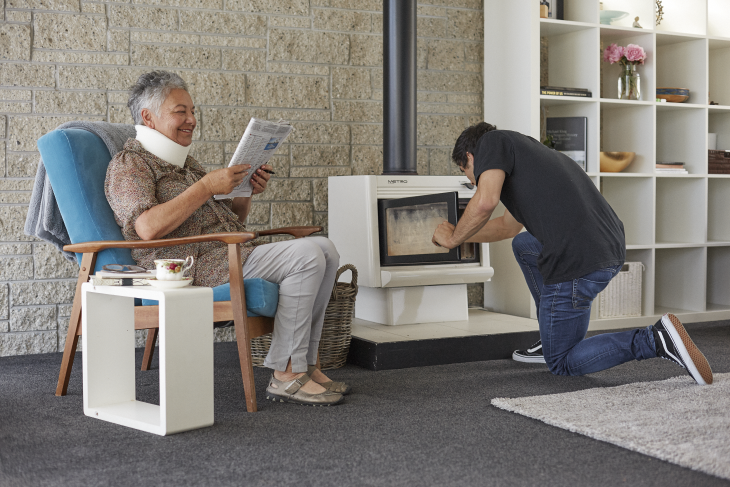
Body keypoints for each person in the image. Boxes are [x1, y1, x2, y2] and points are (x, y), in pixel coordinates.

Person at [105, 70, 350, 406]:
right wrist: (206, 186)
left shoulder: (187, 165)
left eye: (193, 112)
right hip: (190, 268)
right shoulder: (130, 164)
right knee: (308, 254)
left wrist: (246, 190)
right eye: (181, 112)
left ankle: (307, 364)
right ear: (148, 117)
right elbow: (146, 228)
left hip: (228, 254)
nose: (192, 119)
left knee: (327, 250)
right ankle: (287, 373)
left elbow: (230, 223)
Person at [432, 122, 713, 385]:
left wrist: (453, 238)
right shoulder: (529, 155)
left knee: (561, 362)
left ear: (471, 155)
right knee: (524, 245)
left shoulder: (492, 142)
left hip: (577, 258)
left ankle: (655, 340)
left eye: (466, 172)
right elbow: (506, 228)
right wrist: (460, 234)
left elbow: (484, 203)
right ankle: (551, 331)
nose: (472, 182)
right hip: (606, 247)